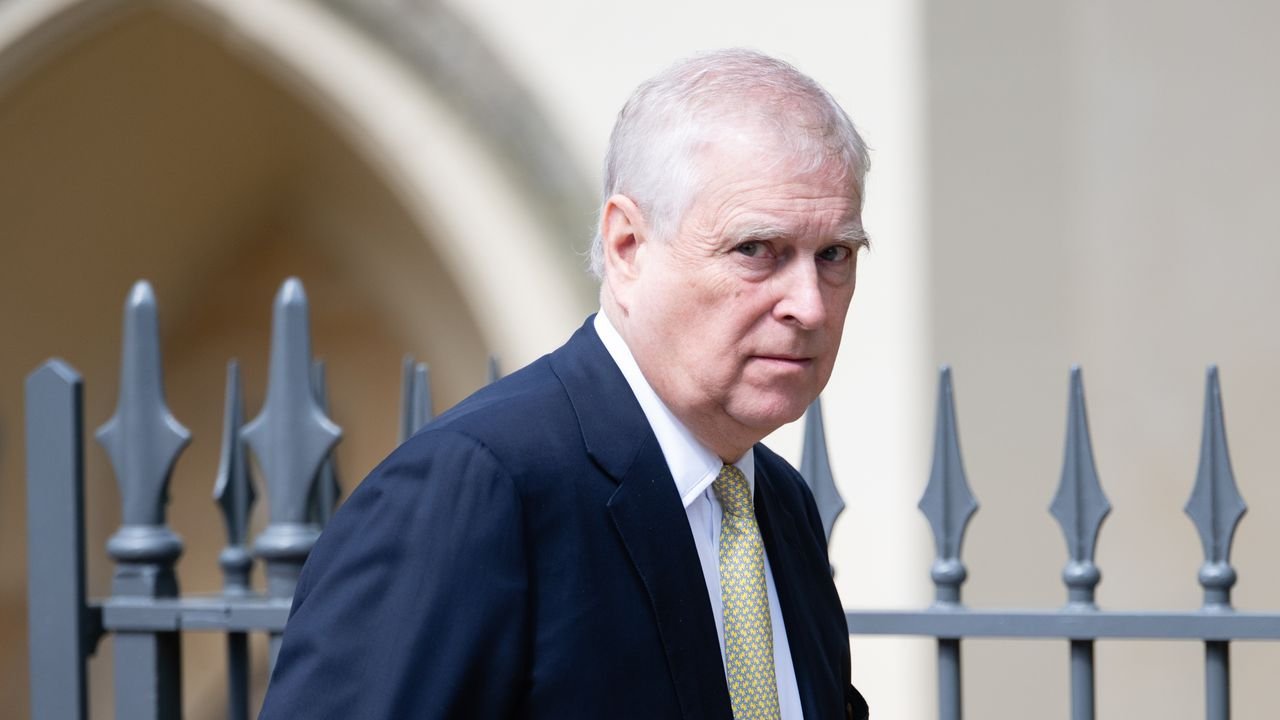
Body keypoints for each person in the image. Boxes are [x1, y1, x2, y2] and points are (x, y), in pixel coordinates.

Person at [260, 48, 871, 720]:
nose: (809, 306)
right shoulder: (479, 484)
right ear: (627, 247)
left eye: (834, 254)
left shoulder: (777, 504)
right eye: (755, 250)